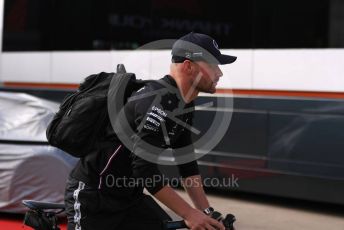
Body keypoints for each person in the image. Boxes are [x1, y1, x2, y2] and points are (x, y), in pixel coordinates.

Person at [64, 32, 237, 230]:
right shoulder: (157, 102)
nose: (219, 74)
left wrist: (208, 214)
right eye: (213, 66)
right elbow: (144, 169)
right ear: (189, 66)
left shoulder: (184, 104)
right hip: (93, 196)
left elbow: (187, 164)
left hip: (129, 198)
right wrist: (189, 213)